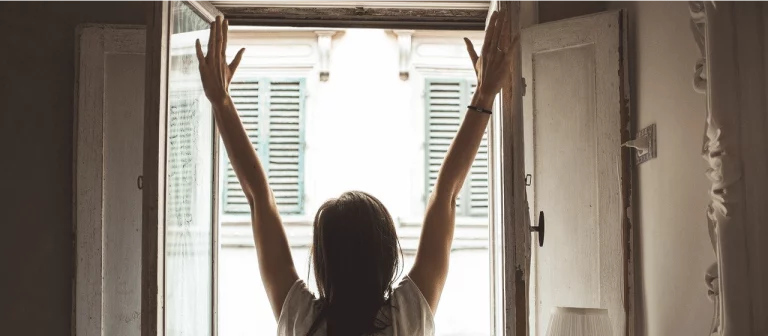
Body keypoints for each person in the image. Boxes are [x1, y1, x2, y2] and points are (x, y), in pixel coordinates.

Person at [195, 10, 517, 336]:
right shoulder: (406, 319)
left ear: (323, 262)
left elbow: (259, 199)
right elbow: (446, 193)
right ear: (387, 257)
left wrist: (221, 101)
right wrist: (484, 94)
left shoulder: (302, 321)